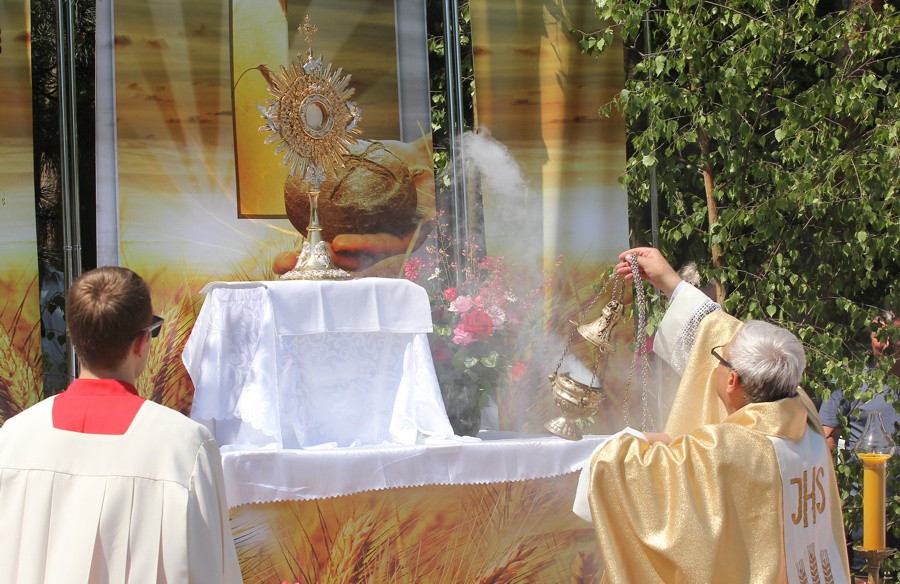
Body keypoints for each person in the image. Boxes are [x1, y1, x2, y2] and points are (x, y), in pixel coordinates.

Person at [573, 247, 851, 584]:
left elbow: (617, 471)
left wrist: (639, 439)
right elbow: (729, 333)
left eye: (718, 358)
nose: (711, 361)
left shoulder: (723, 451)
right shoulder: (802, 413)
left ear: (732, 380)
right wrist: (671, 283)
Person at [0, 267, 242, 583]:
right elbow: (211, 569)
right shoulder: (184, 447)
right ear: (142, 342)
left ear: (74, 338)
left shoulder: (14, 438)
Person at [818, 309, 899, 581]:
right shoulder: (851, 377)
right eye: (877, 336)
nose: (883, 344)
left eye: (892, 336)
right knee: (865, 575)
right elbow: (826, 435)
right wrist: (832, 491)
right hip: (863, 505)